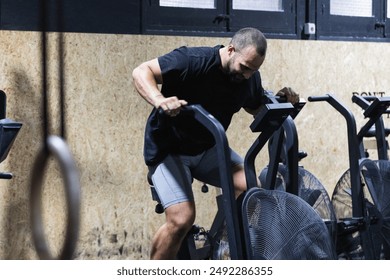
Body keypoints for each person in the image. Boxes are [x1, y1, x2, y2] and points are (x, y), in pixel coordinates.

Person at [132, 27, 299, 260]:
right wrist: (160, 100)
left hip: (208, 149)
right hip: (169, 150)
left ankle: (218, 250)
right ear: (230, 50)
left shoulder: (247, 76)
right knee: (181, 218)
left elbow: (253, 105)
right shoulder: (192, 61)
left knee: (251, 189)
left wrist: (281, 101)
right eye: (245, 68)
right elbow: (142, 71)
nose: (248, 75)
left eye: (254, 70)